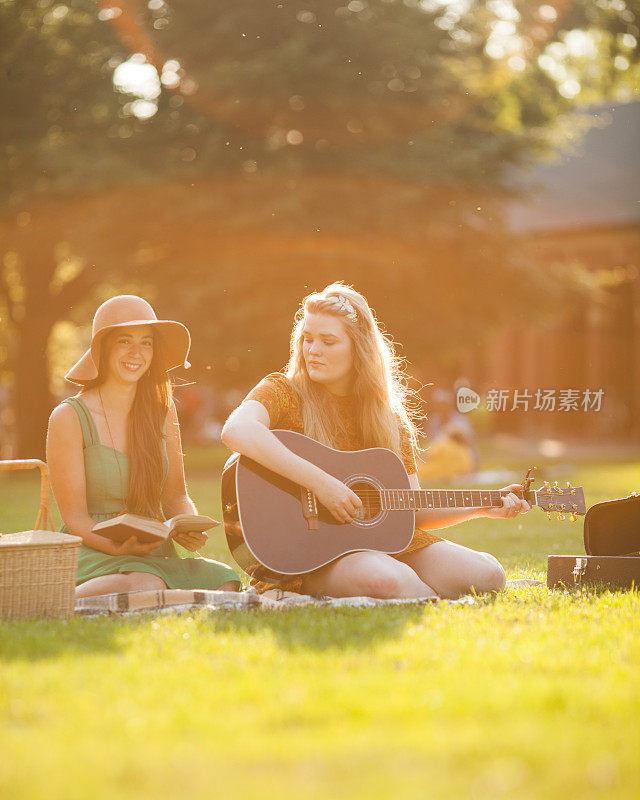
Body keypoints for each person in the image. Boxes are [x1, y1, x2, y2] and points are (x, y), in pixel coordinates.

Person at [221, 283, 529, 600]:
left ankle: (421, 593)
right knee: (388, 581)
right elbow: (237, 429)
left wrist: (481, 506)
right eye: (307, 339)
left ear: (360, 348)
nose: (313, 350)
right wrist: (322, 485)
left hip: (385, 544)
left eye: (328, 341)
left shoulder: (388, 420)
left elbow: (413, 510)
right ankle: (431, 601)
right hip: (310, 554)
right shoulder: (283, 391)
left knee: (487, 575)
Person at [47, 295, 240, 598]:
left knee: (224, 579)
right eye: (125, 341)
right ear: (103, 348)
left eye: (146, 343)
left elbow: (176, 496)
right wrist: (118, 546)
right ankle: (58, 600)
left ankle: (141, 595)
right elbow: (76, 519)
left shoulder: (163, 410)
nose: (136, 353)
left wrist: (188, 524)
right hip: (92, 550)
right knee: (143, 583)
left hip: (152, 554)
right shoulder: (69, 416)